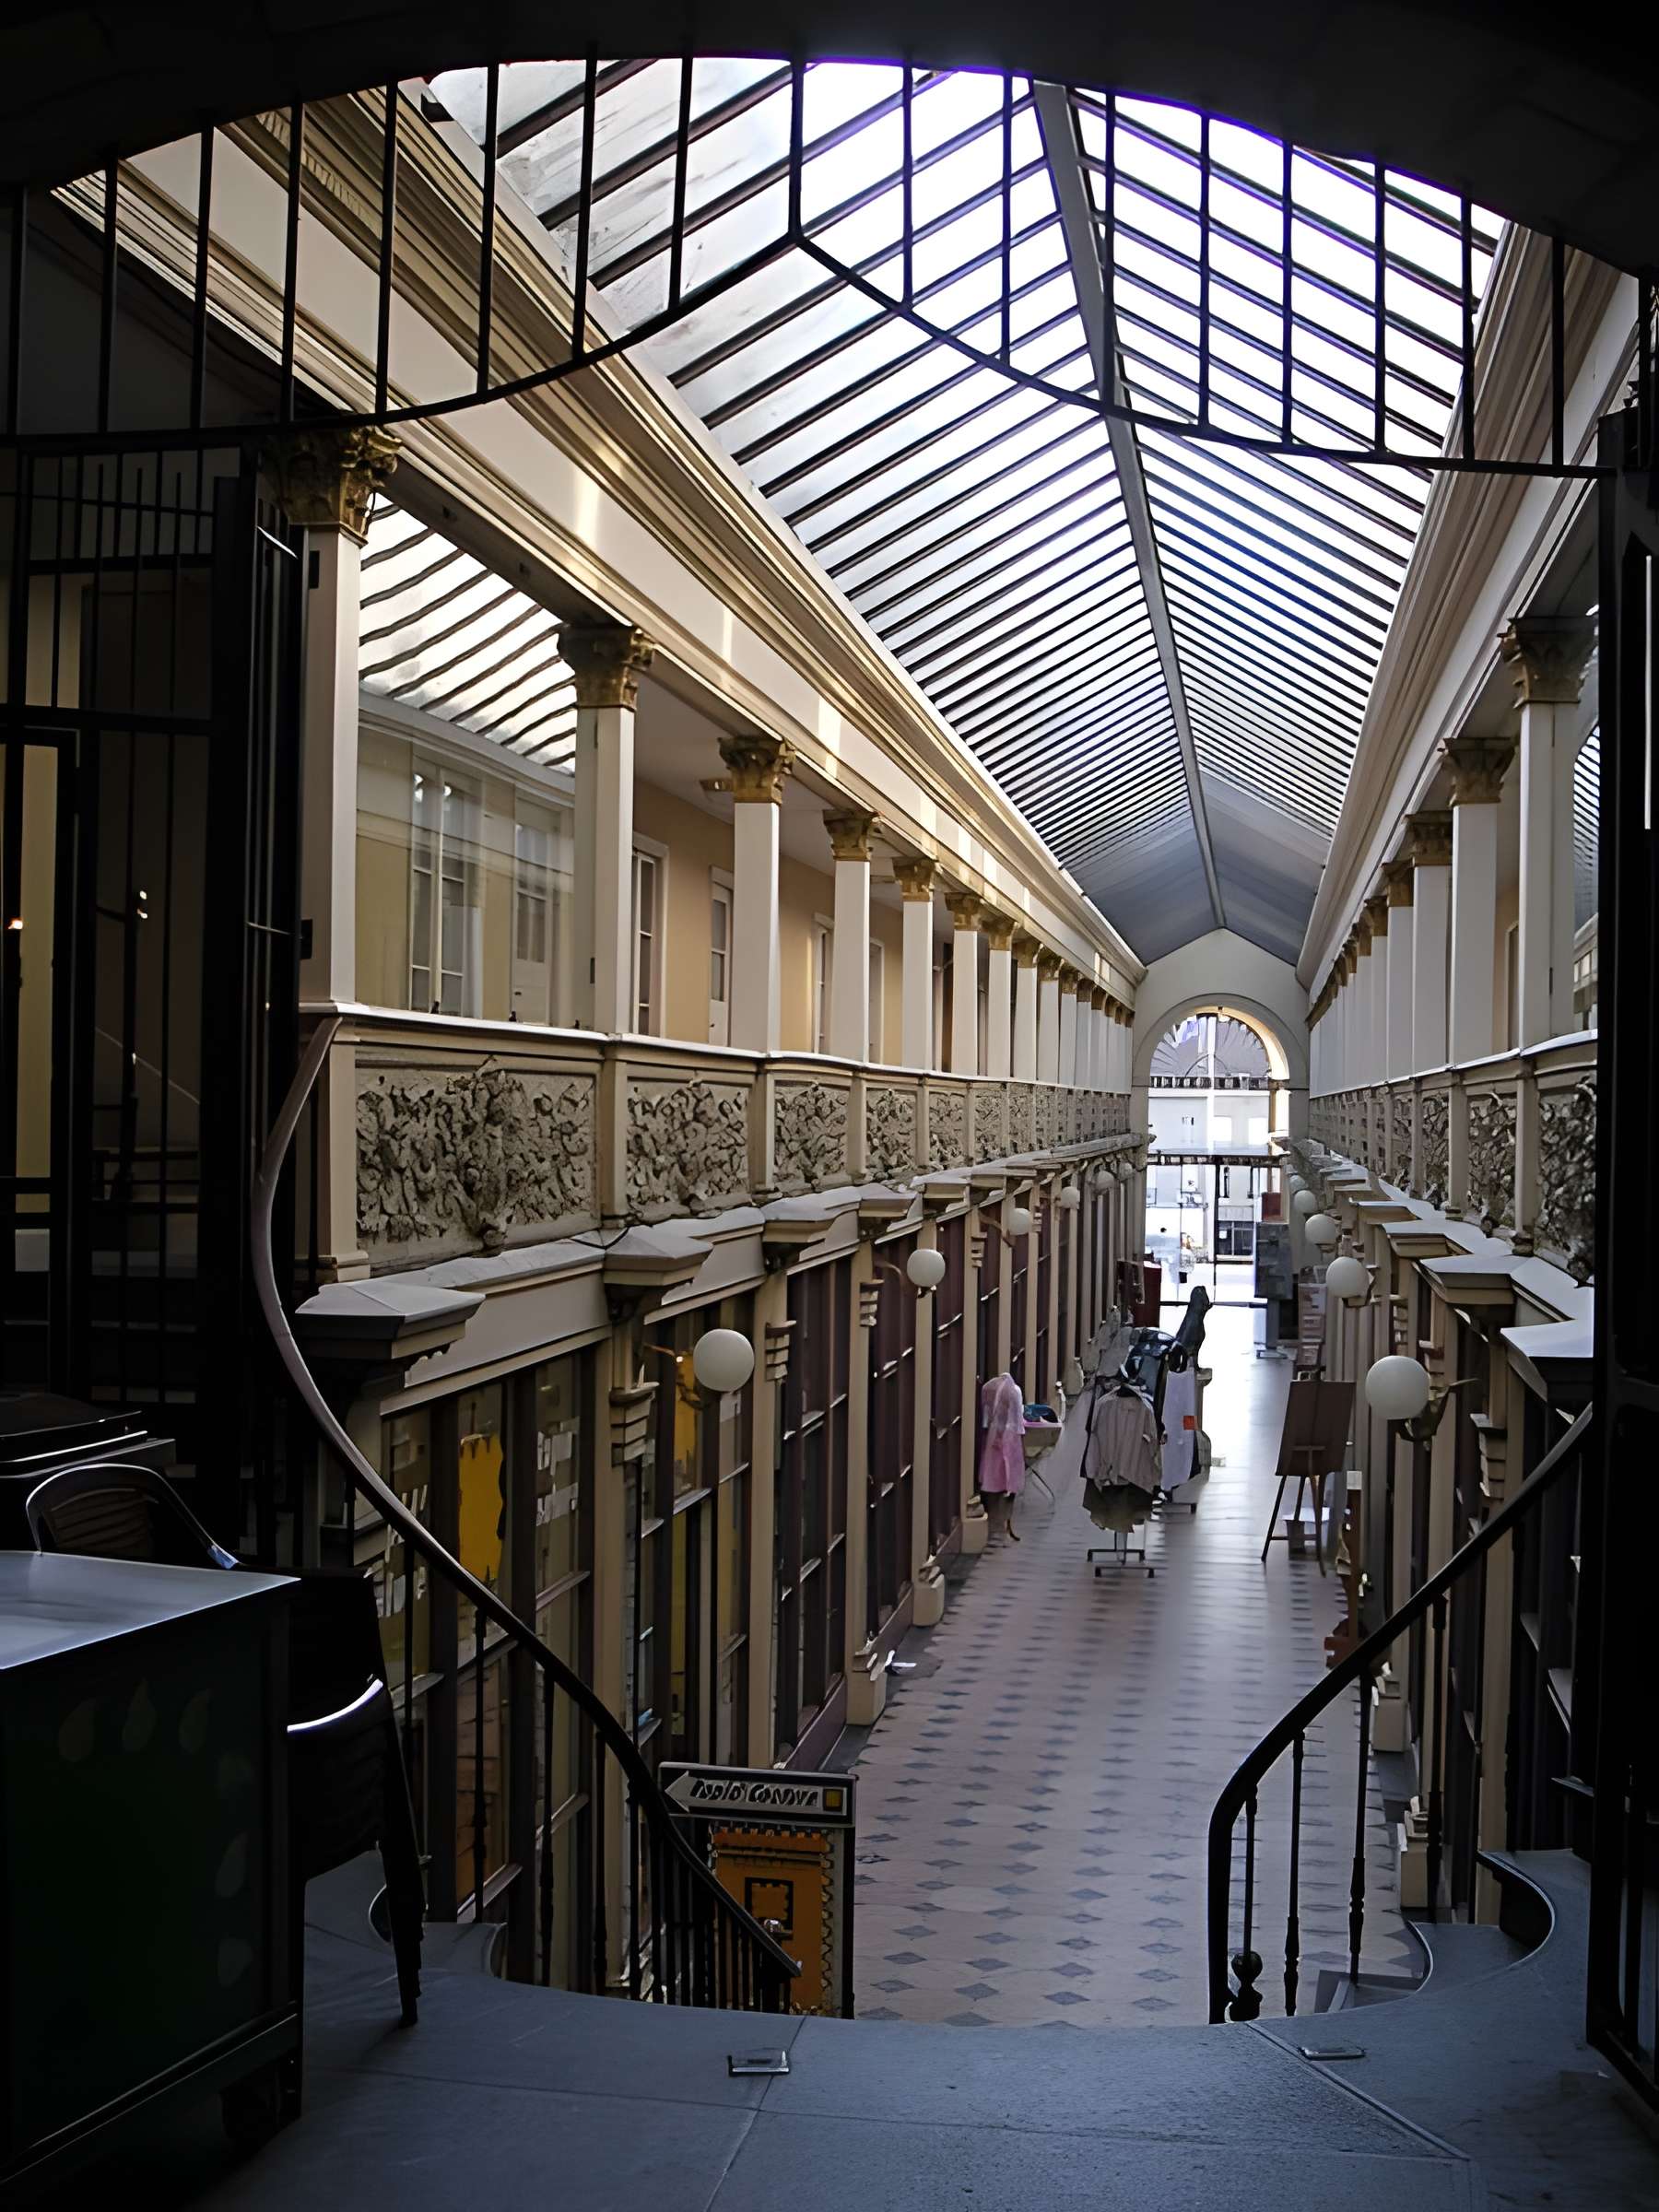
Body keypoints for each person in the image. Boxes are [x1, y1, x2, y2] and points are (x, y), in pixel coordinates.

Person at [978, 1371, 1027, 1540]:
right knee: (1007, 1477)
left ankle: (995, 1518)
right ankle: (1002, 1520)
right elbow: (1018, 1419)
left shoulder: (989, 1389)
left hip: (993, 1436)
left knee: (992, 1475)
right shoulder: (1014, 1391)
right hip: (1009, 1438)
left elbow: (986, 1416)